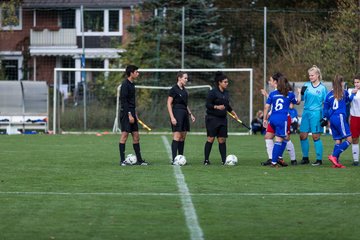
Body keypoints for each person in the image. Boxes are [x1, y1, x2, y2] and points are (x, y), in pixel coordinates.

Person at [261, 73, 300, 166]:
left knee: (284, 138)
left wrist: (264, 119)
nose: (270, 82)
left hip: (274, 117)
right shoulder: (289, 94)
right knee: (279, 139)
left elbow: (267, 106)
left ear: (276, 82)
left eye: (271, 80)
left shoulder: (273, 93)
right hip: (282, 118)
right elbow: (296, 102)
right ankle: (274, 160)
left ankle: (289, 159)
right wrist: (299, 93)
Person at [203, 71, 240, 165]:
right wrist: (217, 107)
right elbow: (208, 105)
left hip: (222, 119)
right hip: (212, 118)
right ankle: (206, 160)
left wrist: (234, 114)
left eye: (227, 82)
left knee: (222, 139)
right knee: (211, 138)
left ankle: (224, 160)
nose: (227, 84)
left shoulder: (226, 93)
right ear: (219, 82)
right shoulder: (212, 92)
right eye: (225, 82)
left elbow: (227, 106)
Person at [322, 75, 357, 168]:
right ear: (341, 83)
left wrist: (325, 118)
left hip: (332, 118)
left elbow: (325, 110)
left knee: (338, 140)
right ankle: (334, 156)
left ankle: (336, 162)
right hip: (340, 117)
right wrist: (353, 94)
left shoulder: (328, 95)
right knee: (349, 139)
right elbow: (349, 100)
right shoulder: (344, 92)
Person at [118, 65, 149, 166]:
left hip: (132, 112)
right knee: (124, 135)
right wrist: (129, 115)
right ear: (131, 73)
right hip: (126, 113)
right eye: (136, 72)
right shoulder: (125, 85)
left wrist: (134, 114)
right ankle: (122, 160)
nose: (138, 73)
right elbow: (124, 102)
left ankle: (139, 160)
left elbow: (132, 102)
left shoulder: (132, 84)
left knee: (136, 136)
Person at [299, 65, 328, 166]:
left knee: (315, 136)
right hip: (306, 112)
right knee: (302, 135)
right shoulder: (306, 85)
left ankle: (319, 159)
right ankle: (305, 158)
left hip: (316, 113)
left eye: (312, 75)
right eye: (309, 75)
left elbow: (326, 103)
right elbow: (301, 99)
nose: (310, 77)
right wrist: (299, 93)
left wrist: (325, 117)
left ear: (317, 75)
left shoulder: (323, 88)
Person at [167, 71, 196, 164]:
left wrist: (190, 114)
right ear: (179, 78)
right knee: (177, 136)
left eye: (187, 78)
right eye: (185, 78)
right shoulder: (173, 89)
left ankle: (181, 158)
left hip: (184, 114)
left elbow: (185, 104)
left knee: (183, 136)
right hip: (177, 113)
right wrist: (172, 117)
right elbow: (168, 103)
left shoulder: (184, 90)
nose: (186, 80)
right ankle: (174, 159)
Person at [348, 75, 360, 166]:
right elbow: (347, 101)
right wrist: (352, 94)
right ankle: (355, 160)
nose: (356, 84)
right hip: (355, 117)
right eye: (355, 82)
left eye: (358, 82)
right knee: (355, 138)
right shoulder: (350, 91)